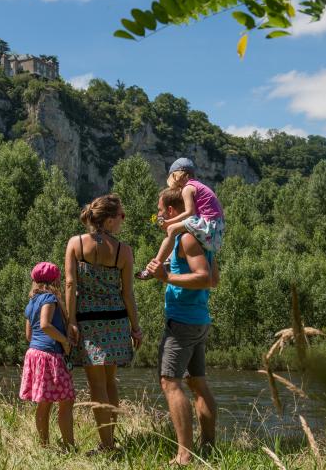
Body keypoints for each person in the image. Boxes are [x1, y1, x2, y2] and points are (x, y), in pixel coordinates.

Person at [146, 187, 219, 466]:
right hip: (198, 320)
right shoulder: (204, 240)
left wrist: (167, 278)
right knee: (197, 383)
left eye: (160, 212)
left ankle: (184, 456)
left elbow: (203, 278)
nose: (159, 217)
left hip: (184, 322)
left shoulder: (187, 239)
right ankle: (208, 449)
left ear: (173, 212)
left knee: (170, 383)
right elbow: (215, 280)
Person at [64, 194, 142, 452]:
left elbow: (70, 284)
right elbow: (127, 293)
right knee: (110, 383)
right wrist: (135, 327)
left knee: (97, 385)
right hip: (117, 322)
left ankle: (107, 445)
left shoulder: (75, 244)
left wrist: (70, 320)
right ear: (108, 221)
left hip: (89, 322)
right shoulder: (124, 251)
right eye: (121, 215)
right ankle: (110, 441)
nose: (123, 220)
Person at [137, 157, 224, 280]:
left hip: (208, 225)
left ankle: (153, 267)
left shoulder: (188, 188)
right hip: (216, 230)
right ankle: (168, 260)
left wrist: (168, 222)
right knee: (179, 231)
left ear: (178, 175)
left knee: (172, 230)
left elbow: (189, 213)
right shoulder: (198, 186)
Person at [19, 262, 75, 448]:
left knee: (44, 404)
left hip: (34, 354)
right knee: (66, 401)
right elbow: (45, 325)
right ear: (55, 280)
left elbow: (29, 335)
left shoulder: (31, 302)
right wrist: (65, 341)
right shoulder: (49, 298)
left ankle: (44, 446)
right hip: (50, 356)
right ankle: (69, 446)